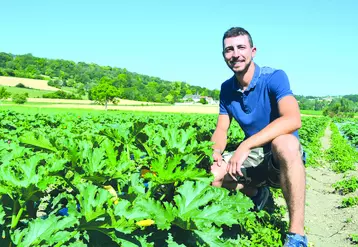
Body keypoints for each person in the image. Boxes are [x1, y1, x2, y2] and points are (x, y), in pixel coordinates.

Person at [210, 27, 308, 247]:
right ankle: (255, 193)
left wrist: (246, 144)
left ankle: (297, 235)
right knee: (214, 173)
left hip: (280, 157)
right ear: (224, 55)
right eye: (229, 49)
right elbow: (221, 130)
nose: (235, 53)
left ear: (253, 51)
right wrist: (215, 152)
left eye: (241, 47)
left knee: (286, 143)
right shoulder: (227, 89)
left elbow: (293, 119)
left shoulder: (274, 77)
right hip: (254, 156)